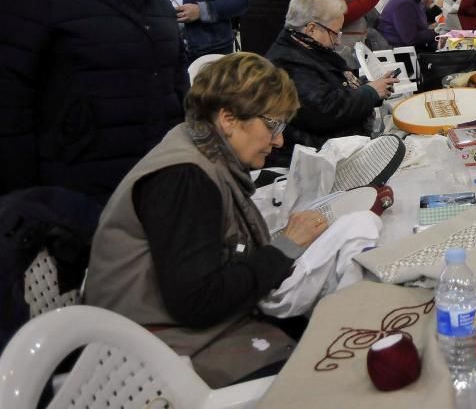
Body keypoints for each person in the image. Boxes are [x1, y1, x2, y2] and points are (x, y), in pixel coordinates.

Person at [86, 53, 331, 388]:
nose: (278, 141)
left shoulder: (199, 150)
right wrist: (284, 248)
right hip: (151, 351)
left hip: (162, 331)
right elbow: (198, 303)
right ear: (228, 118)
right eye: (272, 126)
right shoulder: (185, 178)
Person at [0, 0, 186, 202]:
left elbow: (173, 63)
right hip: (75, 174)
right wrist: (23, 192)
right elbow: (11, 95)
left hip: (156, 159)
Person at [266, 0, 397, 166]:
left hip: (337, 148)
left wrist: (372, 87)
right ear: (311, 29)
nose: (337, 41)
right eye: (334, 33)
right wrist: (370, 92)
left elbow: (336, 87)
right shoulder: (288, 63)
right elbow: (324, 110)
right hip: (322, 157)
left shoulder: (306, 49)